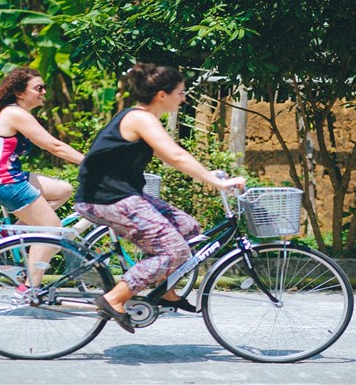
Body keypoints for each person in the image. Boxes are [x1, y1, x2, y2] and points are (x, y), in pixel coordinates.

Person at [74, 62, 246, 333]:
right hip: (105, 199)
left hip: (124, 195)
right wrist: (216, 183)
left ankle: (163, 287)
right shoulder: (139, 118)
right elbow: (175, 155)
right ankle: (115, 298)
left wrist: (209, 174)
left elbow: (174, 155)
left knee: (189, 229)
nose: (184, 98)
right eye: (180, 92)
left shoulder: (143, 118)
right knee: (173, 251)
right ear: (162, 95)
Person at [0, 67, 85, 291]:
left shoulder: (8, 111)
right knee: (52, 229)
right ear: (20, 92)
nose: (43, 92)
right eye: (38, 88)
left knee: (63, 190)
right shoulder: (15, 114)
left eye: (44, 88)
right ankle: (30, 289)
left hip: (0, 176)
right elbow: (55, 147)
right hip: (0, 180)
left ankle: (3, 238)